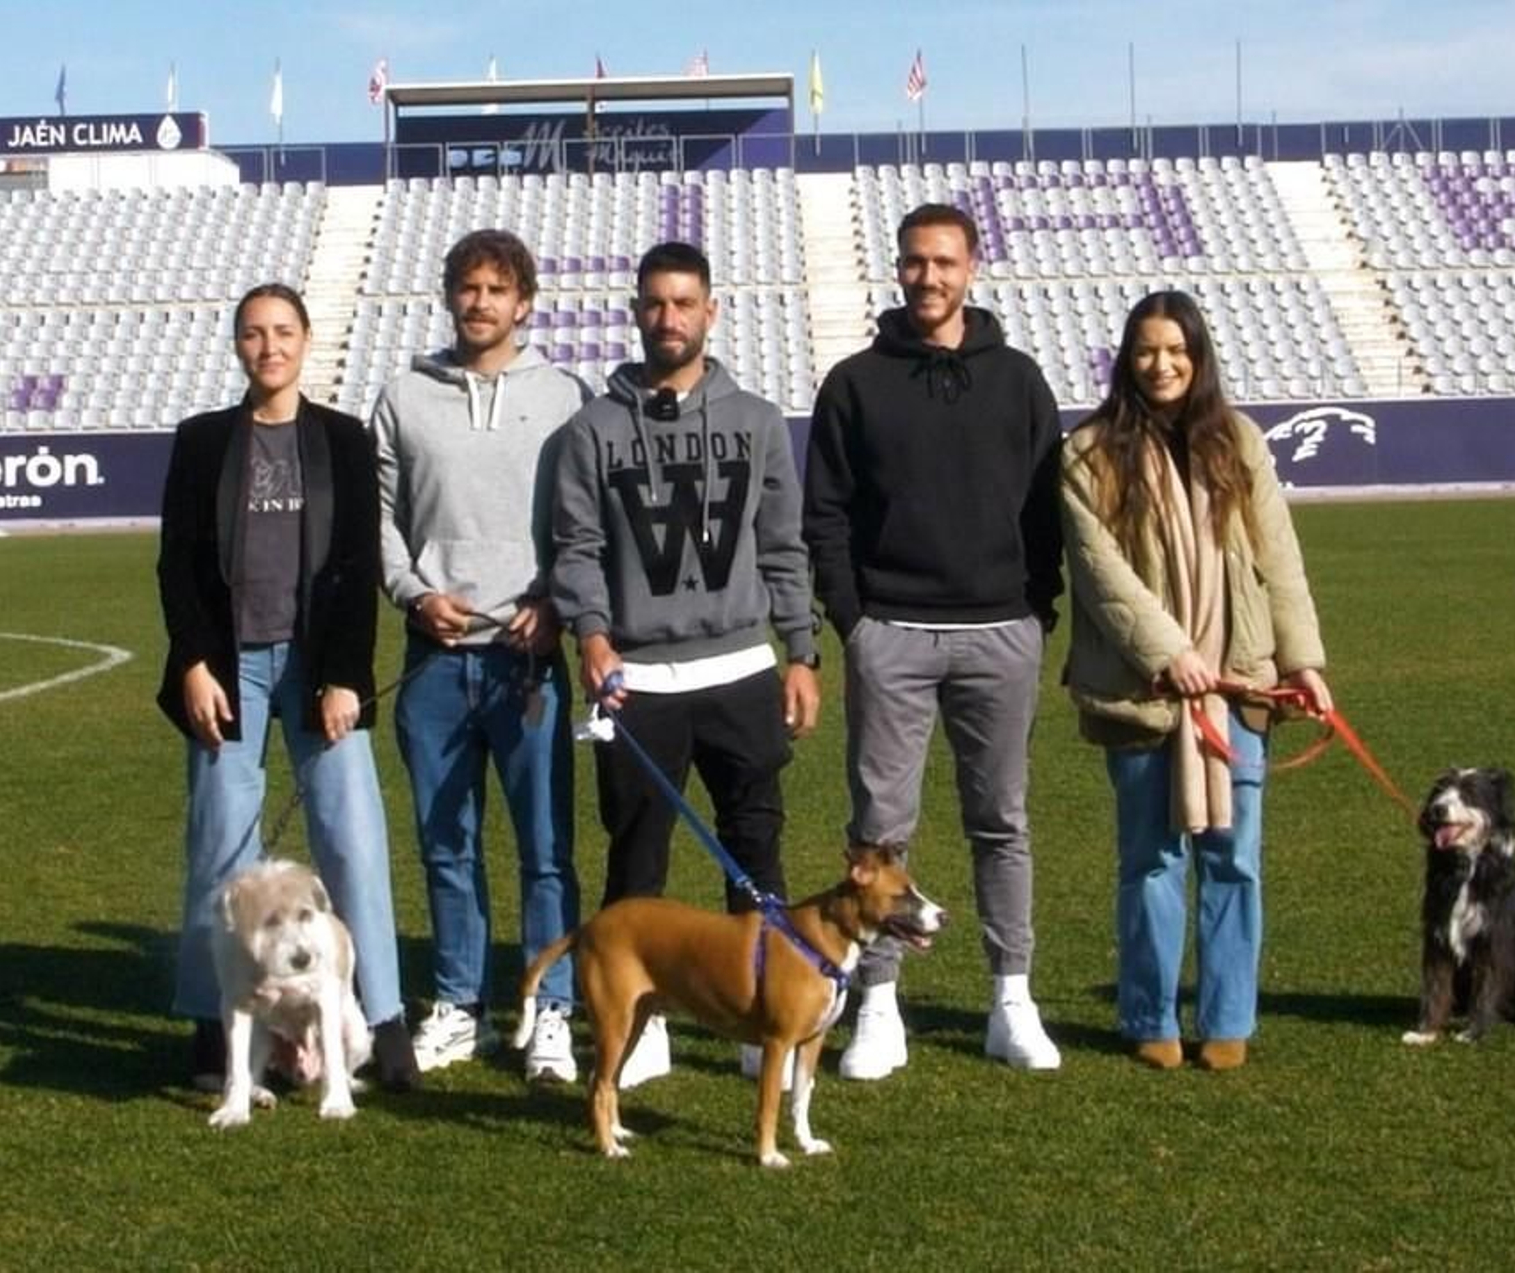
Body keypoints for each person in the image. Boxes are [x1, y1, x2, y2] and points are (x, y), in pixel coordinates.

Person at [803, 203, 1064, 1079]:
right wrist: (855, 621)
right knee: (881, 830)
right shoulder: (855, 382)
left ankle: (1010, 997)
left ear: (973, 266)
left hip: (1000, 633)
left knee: (1003, 821)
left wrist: (1037, 612)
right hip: (894, 635)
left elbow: (1045, 509)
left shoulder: (1019, 379)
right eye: (915, 262)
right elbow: (825, 514)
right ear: (898, 268)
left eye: (944, 262)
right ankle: (877, 1004)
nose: (928, 277)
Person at [550, 240, 820, 1088]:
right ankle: (643, 1020)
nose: (669, 318)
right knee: (638, 858)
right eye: (655, 303)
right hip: (640, 675)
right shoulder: (592, 431)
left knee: (756, 846)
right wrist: (592, 634)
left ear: (710, 311)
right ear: (636, 312)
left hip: (740, 663)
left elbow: (783, 545)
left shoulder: (758, 420)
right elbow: (577, 547)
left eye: (684, 303)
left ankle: (757, 1012)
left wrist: (802, 651)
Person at [1059, 289, 1332, 1072]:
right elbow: (1101, 573)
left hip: (1238, 684)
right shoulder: (1089, 453)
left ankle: (1228, 1014)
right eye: (1147, 350)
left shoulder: (1237, 441)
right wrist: (1167, 651)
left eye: (1177, 350)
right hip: (1145, 692)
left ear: (1199, 356)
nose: (1162, 364)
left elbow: (1277, 557)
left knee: (1233, 858)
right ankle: (1148, 1012)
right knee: (1150, 859)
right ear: (1127, 357)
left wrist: (1302, 661)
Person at [157, 281, 418, 1093]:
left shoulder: (341, 437)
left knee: (354, 843)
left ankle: (381, 1019)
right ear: (238, 346)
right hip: (229, 670)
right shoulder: (203, 441)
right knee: (221, 851)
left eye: (282, 332)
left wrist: (344, 675)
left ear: (306, 341)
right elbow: (179, 563)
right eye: (253, 334)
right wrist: (194, 661)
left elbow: (357, 563)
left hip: (318, 671)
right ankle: (214, 1021)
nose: (268, 347)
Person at [371, 229, 587, 1081]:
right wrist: (413, 594)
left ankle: (550, 1007)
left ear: (524, 302)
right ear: (449, 295)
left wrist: (555, 603)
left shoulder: (564, 396)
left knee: (545, 849)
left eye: (497, 288)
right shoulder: (402, 396)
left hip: (526, 659)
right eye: (467, 286)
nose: (480, 302)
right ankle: (459, 1004)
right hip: (434, 657)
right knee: (445, 845)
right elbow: (376, 518)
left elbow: (585, 522)